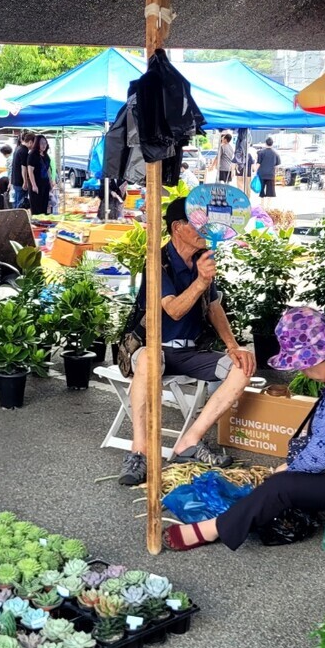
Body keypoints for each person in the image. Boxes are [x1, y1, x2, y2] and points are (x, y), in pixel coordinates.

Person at [161, 307, 325, 550]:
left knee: (281, 487)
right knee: (286, 472)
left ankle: (213, 529)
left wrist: (286, 469)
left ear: (318, 358)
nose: (301, 371)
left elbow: (316, 460)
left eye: (301, 364)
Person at [117, 197, 256, 486]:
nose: (207, 229)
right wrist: (201, 281)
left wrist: (233, 346)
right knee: (150, 359)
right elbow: (174, 309)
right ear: (178, 227)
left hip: (192, 351)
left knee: (242, 366)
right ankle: (139, 452)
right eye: (199, 223)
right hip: (151, 349)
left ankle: (189, 442)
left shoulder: (202, 260)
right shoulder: (157, 262)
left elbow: (213, 307)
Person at [9, 132, 35, 210]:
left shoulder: (18, 148)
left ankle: (15, 216)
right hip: (20, 182)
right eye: (34, 143)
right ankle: (17, 217)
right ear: (30, 142)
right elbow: (23, 167)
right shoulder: (24, 151)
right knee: (20, 205)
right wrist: (25, 181)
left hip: (16, 181)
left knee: (17, 203)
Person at [28, 134, 53, 215]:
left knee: (44, 205)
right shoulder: (32, 155)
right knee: (36, 206)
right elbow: (30, 171)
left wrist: (51, 182)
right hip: (36, 184)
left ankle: (43, 221)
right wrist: (34, 185)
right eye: (42, 143)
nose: (44, 145)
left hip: (45, 183)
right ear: (37, 143)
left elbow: (48, 170)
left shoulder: (46, 155)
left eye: (45, 143)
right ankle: (36, 221)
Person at [254, 137, 282, 208]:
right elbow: (277, 166)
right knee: (270, 191)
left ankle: (262, 205)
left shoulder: (261, 153)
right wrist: (275, 173)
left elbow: (258, 163)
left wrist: (255, 171)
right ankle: (268, 206)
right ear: (272, 144)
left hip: (262, 174)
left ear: (265, 143)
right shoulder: (276, 154)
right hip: (271, 175)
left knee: (262, 190)